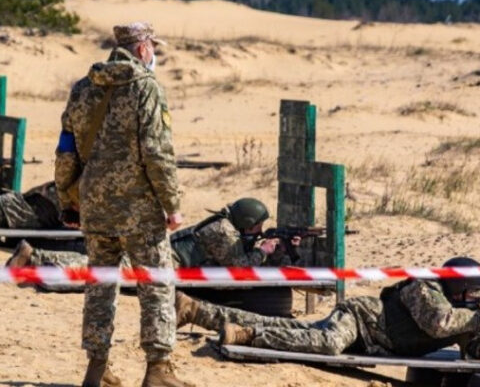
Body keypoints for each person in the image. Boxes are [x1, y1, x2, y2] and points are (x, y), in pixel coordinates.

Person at [54, 22, 191, 387]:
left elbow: (66, 151)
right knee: (156, 284)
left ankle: (97, 367)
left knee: (100, 285)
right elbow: (156, 153)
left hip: (95, 206)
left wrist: (68, 199)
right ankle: (158, 369)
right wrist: (172, 204)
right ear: (144, 48)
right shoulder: (146, 88)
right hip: (139, 210)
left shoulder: (83, 89)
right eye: (153, 48)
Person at [175, 257, 480, 359]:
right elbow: (439, 323)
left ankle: (195, 311)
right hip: (361, 319)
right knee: (328, 342)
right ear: (458, 286)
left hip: (374, 343)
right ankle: (249, 335)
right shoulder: (425, 288)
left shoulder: (462, 310)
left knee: (289, 326)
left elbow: (471, 351)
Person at [6, 198, 285, 273]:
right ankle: (35, 258)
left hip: (157, 252)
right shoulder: (223, 231)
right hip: (159, 261)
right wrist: (264, 251)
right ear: (247, 222)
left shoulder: (224, 223)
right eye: (257, 226)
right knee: (101, 270)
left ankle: (36, 256)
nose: (259, 231)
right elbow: (239, 266)